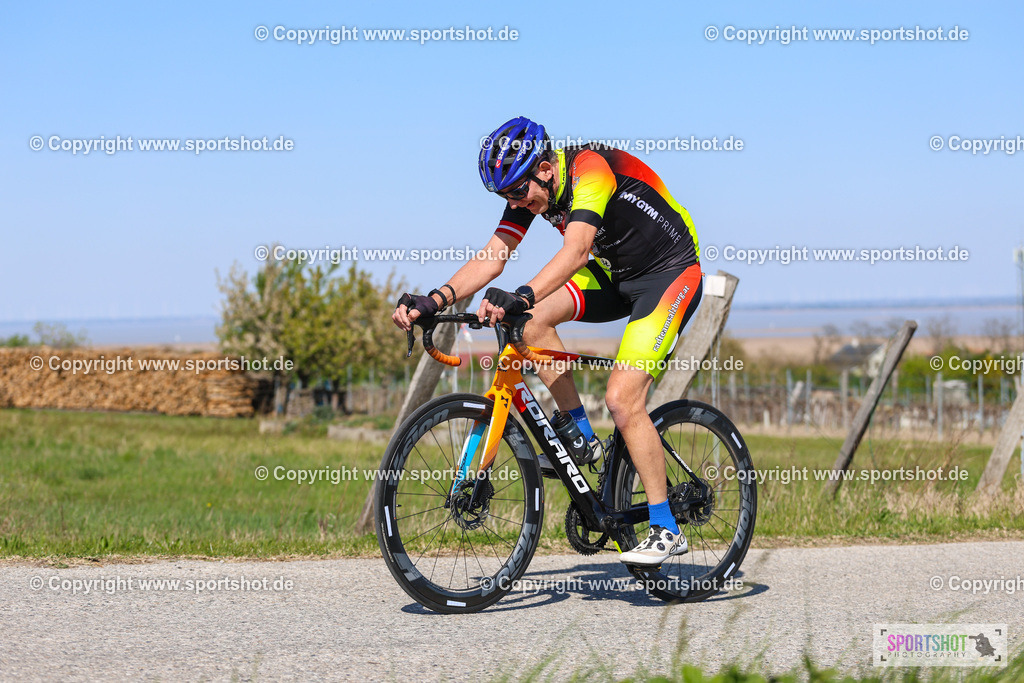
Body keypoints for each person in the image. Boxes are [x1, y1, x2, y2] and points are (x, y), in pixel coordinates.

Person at [392, 116, 703, 566]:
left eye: (519, 193)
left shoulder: (589, 169)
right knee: (530, 324)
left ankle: (665, 527)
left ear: (545, 168)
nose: (517, 203)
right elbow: (492, 256)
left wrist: (522, 294)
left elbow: (576, 251)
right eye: (506, 197)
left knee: (622, 400)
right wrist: (434, 298)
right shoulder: (529, 188)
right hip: (616, 274)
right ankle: (578, 430)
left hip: (670, 274)